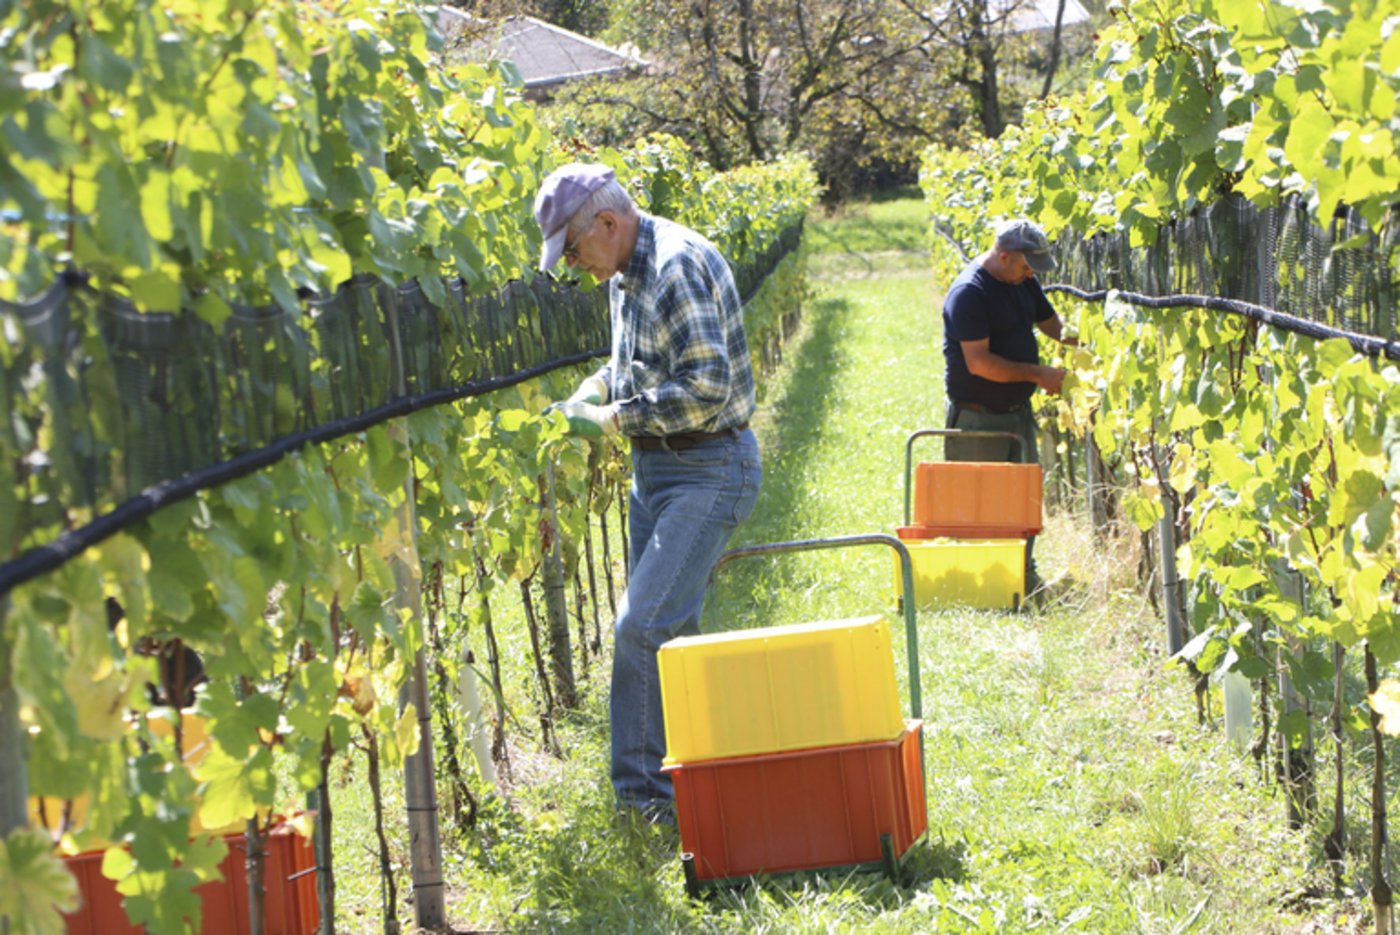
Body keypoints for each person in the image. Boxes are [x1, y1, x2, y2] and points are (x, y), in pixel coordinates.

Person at [533, 163, 762, 824]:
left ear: (608, 223)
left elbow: (705, 389)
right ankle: (695, 773)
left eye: (575, 250)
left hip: (710, 465)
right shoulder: (625, 273)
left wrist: (611, 420)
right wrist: (597, 389)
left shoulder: (676, 267)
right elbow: (633, 361)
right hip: (658, 469)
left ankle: (643, 806)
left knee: (642, 626)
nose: (577, 265)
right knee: (672, 634)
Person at [941, 218, 1075, 597]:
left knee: (1022, 503)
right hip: (978, 418)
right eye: (1027, 266)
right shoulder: (970, 293)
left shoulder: (1023, 280)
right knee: (979, 507)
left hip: (1017, 413)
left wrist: (1088, 344)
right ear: (1004, 256)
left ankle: (1022, 584)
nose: (1032, 274)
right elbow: (980, 363)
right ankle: (978, 589)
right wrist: (1038, 374)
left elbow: (1052, 325)